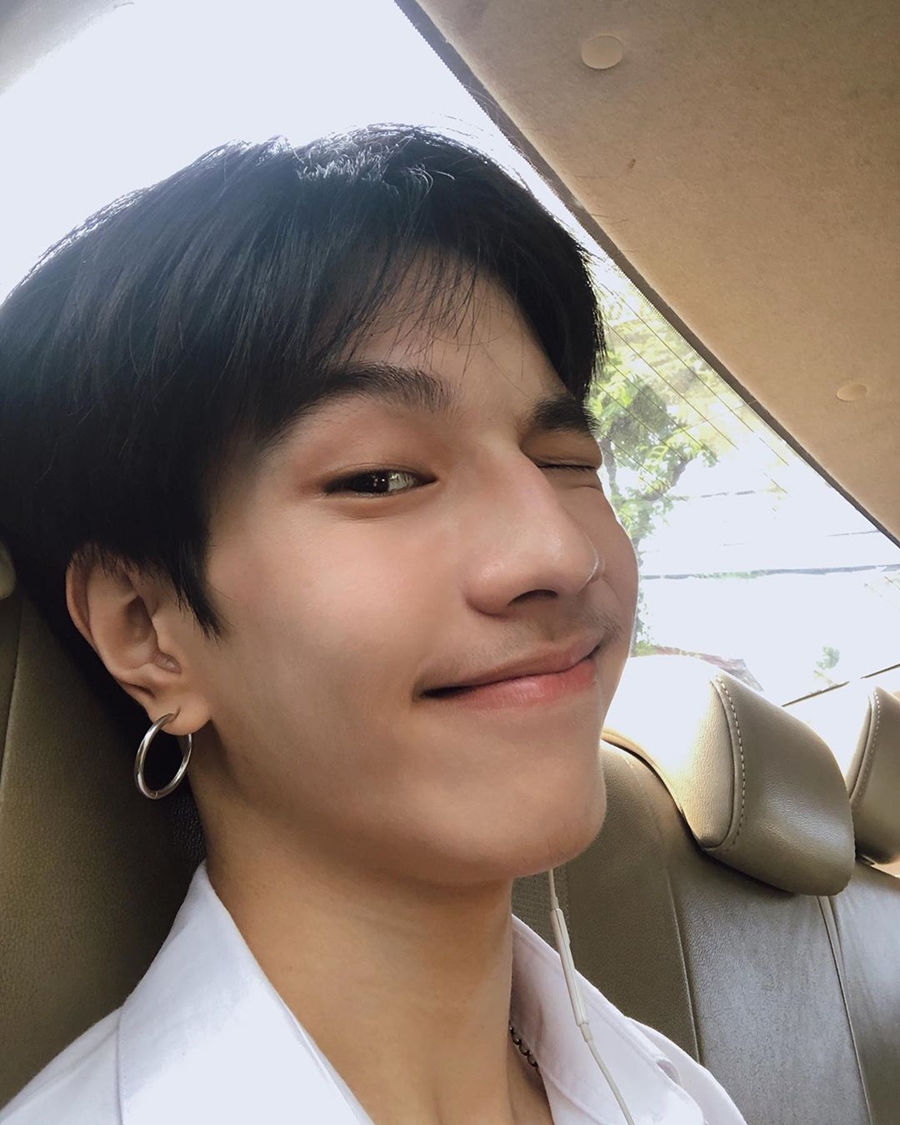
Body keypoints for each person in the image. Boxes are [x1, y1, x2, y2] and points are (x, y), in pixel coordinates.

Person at [0, 127, 746, 1124]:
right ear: (148, 632)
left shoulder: (676, 1090)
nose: (561, 553)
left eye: (565, 460)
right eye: (382, 477)